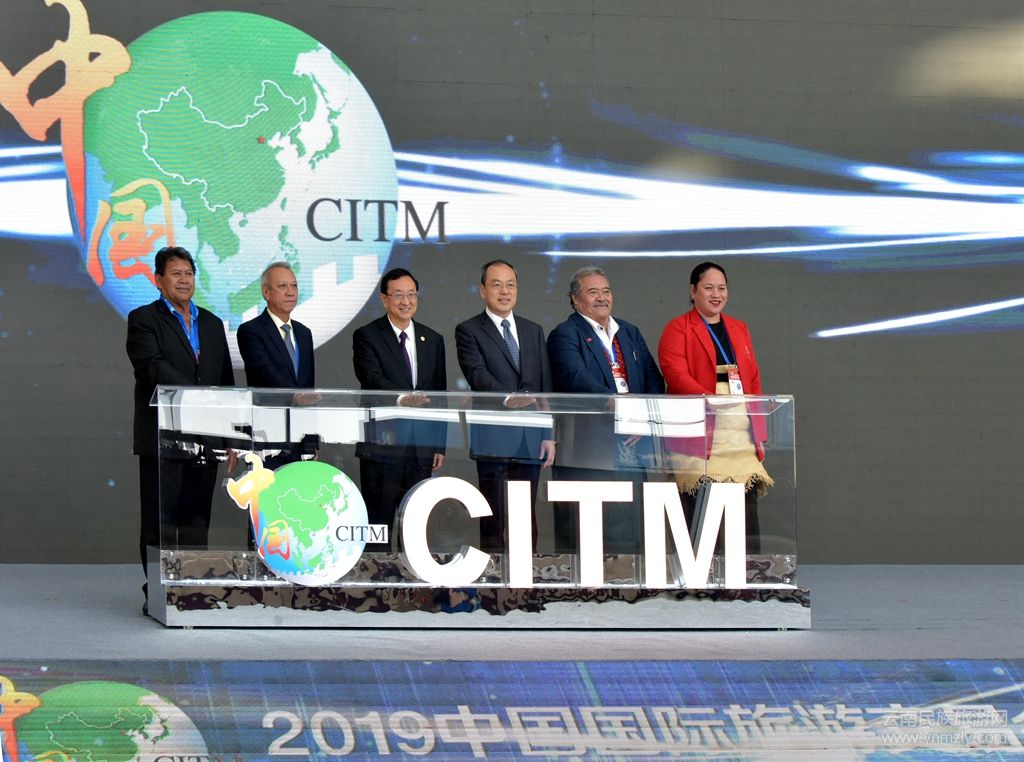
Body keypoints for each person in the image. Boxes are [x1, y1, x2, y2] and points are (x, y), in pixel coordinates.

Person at [126, 246, 236, 586]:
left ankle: (191, 589)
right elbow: (151, 368)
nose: (184, 280)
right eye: (176, 274)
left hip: (205, 441)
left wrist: (231, 439)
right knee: (159, 523)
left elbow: (225, 382)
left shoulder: (212, 324)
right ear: (158, 280)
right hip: (163, 440)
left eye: (189, 273)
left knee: (196, 522)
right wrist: (199, 393)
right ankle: (158, 592)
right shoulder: (144, 319)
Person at [547, 265, 664, 553]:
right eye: (593, 292)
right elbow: (574, 377)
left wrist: (643, 418)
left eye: (606, 291)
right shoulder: (565, 334)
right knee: (590, 531)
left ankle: (627, 575)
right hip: (589, 449)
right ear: (575, 299)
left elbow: (652, 379)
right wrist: (616, 405)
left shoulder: (629, 332)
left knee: (631, 521)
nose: (602, 297)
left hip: (631, 442)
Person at [657, 261, 772, 553]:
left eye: (721, 288)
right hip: (699, 430)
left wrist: (759, 431)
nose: (716, 294)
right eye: (708, 288)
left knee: (744, 511)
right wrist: (711, 400)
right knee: (700, 510)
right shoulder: (678, 328)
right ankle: (699, 573)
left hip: (739, 434)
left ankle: (747, 572)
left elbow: (753, 379)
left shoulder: (738, 327)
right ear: (693, 291)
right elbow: (675, 375)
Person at [455, 259, 555, 552]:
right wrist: (509, 397)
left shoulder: (533, 330)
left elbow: (545, 385)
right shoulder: (469, 330)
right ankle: (493, 573)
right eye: (496, 285)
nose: (505, 291)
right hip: (493, 437)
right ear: (482, 290)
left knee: (526, 515)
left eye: (510, 285)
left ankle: (527, 574)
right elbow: (476, 374)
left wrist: (549, 434)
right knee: (493, 515)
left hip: (531, 437)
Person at [352, 268, 447, 544]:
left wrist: (438, 444)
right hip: (382, 446)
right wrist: (400, 399)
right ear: (384, 299)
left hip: (420, 447)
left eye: (411, 294)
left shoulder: (433, 339)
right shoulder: (367, 335)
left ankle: (410, 572)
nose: (406, 301)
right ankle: (375, 572)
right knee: (378, 525)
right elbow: (370, 377)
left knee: (414, 526)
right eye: (398, 295)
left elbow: (439, 393)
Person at [237, 262, 315, 389]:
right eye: (283, 286)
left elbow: (308, 382)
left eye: (294, 285)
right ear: (266, 292)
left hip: (301, 403)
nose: (290, 292)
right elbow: (263, 372)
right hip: (269, 402)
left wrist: (306, 397)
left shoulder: (304, 332)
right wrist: (295, 395)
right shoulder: (251, 331)